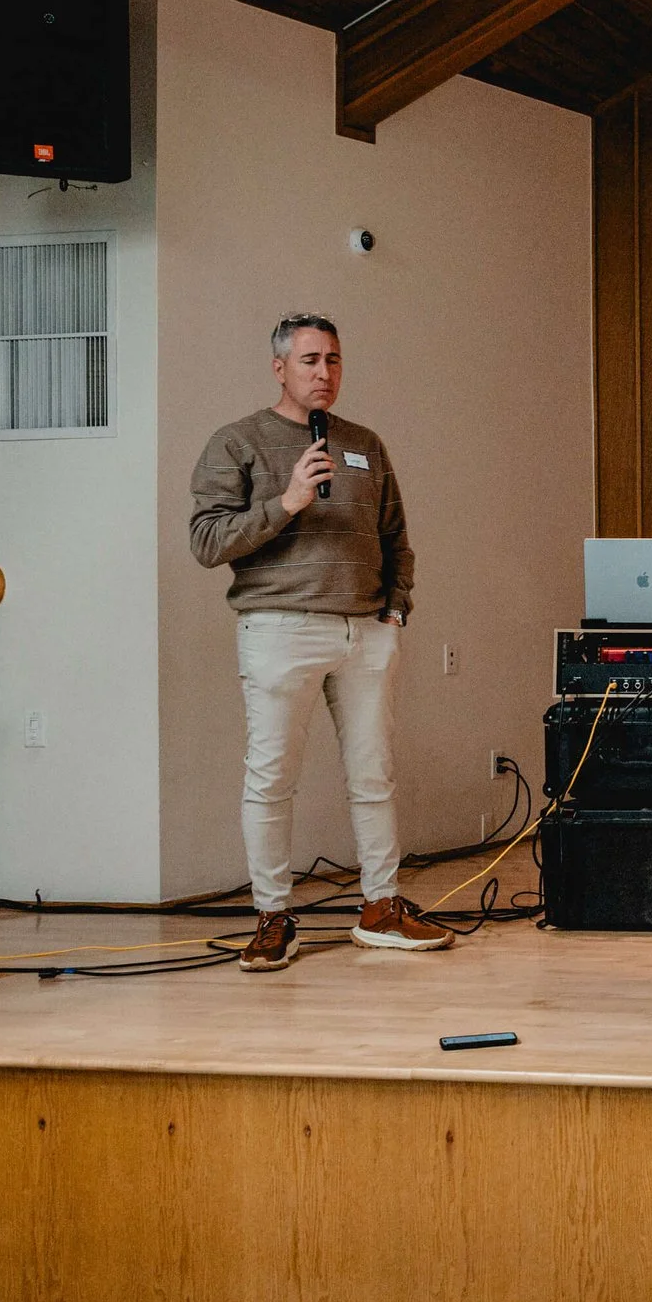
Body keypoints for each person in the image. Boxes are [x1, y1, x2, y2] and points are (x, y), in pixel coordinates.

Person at [190, 313, 452, 973]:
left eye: (333, 359)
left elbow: (396, 538)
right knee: (272, 778)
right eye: (309, 360)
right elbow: (207, 541)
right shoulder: (238, 442)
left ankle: (381, 905)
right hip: (280, 630)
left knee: (373, 774)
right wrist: (288, 500)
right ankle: (273, 915)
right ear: (279, 368)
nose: (323, 372)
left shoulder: (365, 444)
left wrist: (394, 612)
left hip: (365, 633)